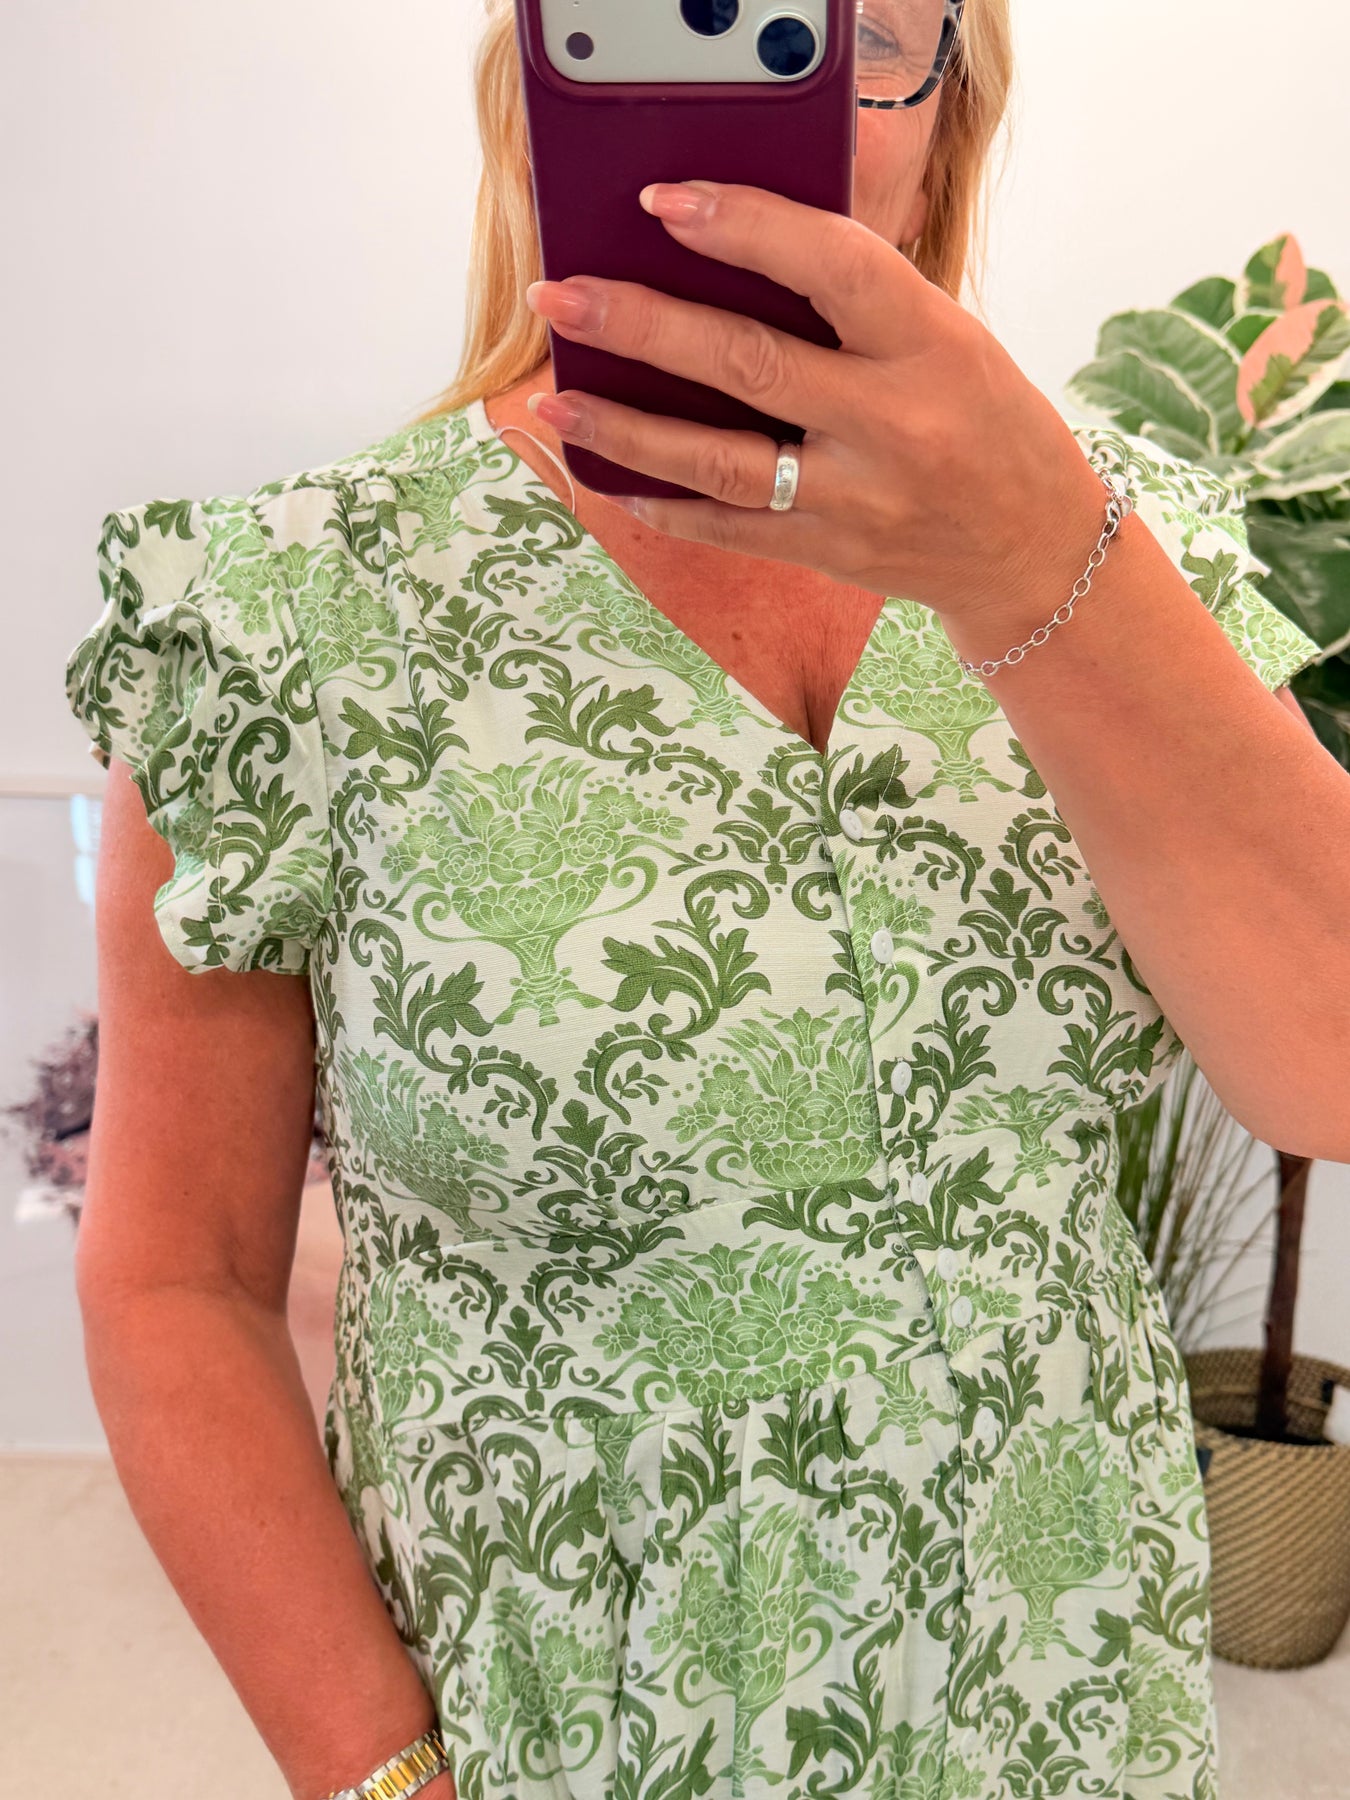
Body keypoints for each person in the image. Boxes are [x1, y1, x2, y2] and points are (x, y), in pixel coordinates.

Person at [63, 3, 1349, 1798]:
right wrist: (376, 1774)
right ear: (534, 90)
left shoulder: (1137, 559)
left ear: (945, 130)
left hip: (1057, 1681)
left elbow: (1326, 1069)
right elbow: (175, 1277)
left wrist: (1037, 567)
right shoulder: (290, 611)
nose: (773, 83)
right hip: (558, 1710)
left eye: (855, 34)